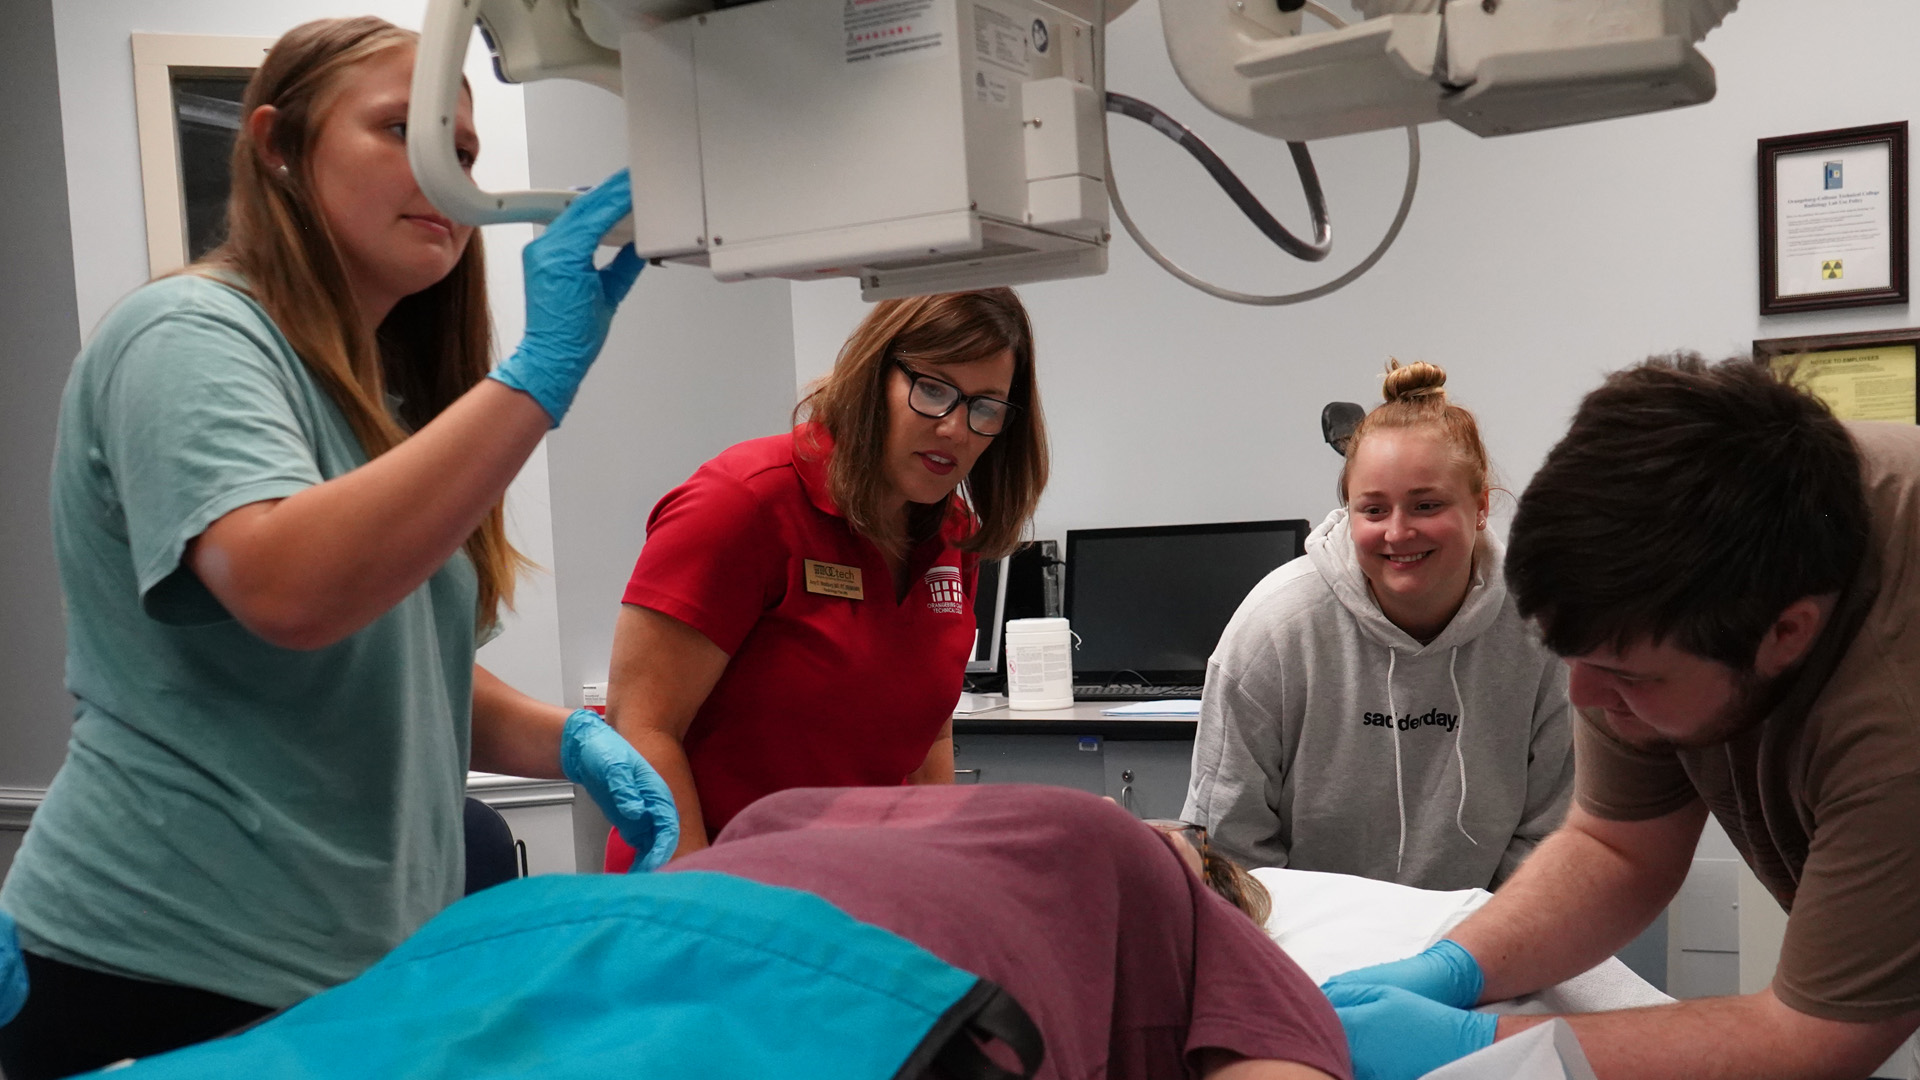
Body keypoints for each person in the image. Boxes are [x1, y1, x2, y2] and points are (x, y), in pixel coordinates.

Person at [0, 19, 675, 1079]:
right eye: (399, 131)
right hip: (159, 961)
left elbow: (393, 666)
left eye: (461, 152)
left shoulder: (379, 398)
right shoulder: (187, 335)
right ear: (277, 144)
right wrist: (535, 379)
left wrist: (573, 743)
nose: (443, 177)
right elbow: (287, 589)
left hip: (351, 969)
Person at [1320, 355, 1920, 1080]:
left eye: (1626, 676)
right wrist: (1456, 967)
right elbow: (1618, 851)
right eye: (1572, 656)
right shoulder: (1662, 575)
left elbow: (1812, 1037)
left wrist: (1483, 1048)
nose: (1583, 699)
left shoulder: (1895, 715)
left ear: (1786, 634)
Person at [604, 289, 1048, 867]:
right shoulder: (742, 503)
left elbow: (928, 741)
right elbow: (640, 728)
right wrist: (698, 909)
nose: (956, 430)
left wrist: (943, 877)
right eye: (933, 390)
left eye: (985, 406)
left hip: (861, 892)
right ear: (873, 378)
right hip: (713, 891)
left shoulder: (953, 532)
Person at [1183, 360, 1573, 891]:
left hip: (1485, 943)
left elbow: (1551, 837)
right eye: (1373, 510)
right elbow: (1229, 846)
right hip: (1304, 945)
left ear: (1480, 506)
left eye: (1426, 504)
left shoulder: (1540, 632)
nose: (1398, 532)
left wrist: (1474, 954)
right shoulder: (1275, 630)